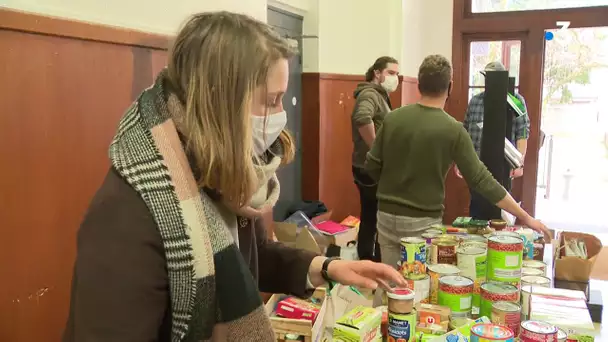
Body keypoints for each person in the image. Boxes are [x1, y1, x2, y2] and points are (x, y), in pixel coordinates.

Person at [63, 12, 405, 342]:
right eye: (272, 101)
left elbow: (254, 255)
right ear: (221, 101)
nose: (280, 116)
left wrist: (327, 268)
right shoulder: (130, 212)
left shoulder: (224, 173)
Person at [364, 54, 550, 270]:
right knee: (417, 285)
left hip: (386, 216)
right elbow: (483, 181)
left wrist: (392, 187)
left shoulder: (393, 118)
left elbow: (371, 165)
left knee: (388, 279)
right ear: (449, 87)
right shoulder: (452, 129)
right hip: (422, 221)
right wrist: (526, 217)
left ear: (419, 84)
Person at [461, 61, 530, 220]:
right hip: (476, 165)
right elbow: (465, 131)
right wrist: (462, 161)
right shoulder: (475, 101)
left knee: (499, 212)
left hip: (503, 166)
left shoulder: (515, 100)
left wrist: (519, 162)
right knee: (477, 209)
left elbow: (522, 132)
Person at [351, 56, 399, 262]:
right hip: (370, 169)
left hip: (367, 166)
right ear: (377, 73)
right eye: (390, 73)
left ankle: (366, 261)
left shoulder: (379, 94)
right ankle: (376, 263)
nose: (394, 78)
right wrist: (376, 150)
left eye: (397, 74)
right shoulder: (370, 94)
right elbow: (362, 118)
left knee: (370, 217)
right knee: (379, 218)